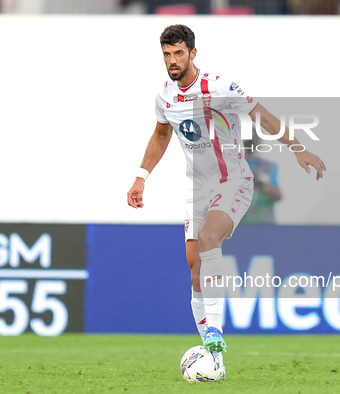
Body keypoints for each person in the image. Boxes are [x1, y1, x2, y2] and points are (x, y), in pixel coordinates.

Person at [127, 25, 326, 354]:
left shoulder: (219, 87)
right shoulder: (165, 95)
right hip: (197, 188)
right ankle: (209, 346)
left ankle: (216, 331)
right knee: (195, 269)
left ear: (193, 53)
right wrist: (141, 176)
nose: (172, 60)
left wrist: (296, 147)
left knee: (208, 241)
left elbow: (260, 115)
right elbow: (161, 135)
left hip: (232, 180)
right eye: (166, 54)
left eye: (179, 53)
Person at [242, 136, 282, 225]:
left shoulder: (269, 166)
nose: (249, 142)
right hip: (239, 223)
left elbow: (278, 195)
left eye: (253, 138)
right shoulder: (232, 166)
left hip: (264, 222)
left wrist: (262, 186)